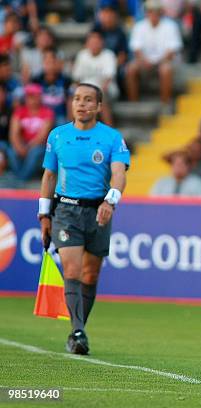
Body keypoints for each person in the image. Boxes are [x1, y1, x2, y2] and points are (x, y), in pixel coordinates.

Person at [38, 82, 130, 355]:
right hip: (66, 210)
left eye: (88, 100)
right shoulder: (57, 136)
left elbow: (119, 174)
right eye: (77, 98)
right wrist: (44, 214)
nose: (81, 104)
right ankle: (78, 331)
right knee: (73, 270)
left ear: (99, 106)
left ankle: (77, 330)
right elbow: (49, 176)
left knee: (91, 274)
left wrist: (110, 201)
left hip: (99, 211)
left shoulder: (112, 138)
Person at [125, 0, 182, 110]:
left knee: (165, 69)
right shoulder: (139, 26)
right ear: (146, 13)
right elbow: (136, 49)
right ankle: (133, 104)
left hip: (165, 61)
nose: (153, 14)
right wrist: (144, 61)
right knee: (130, 69)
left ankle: (165, 104)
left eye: (156, 11)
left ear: (161, 12)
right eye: (150, 11)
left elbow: (172, 50)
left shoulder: (171, 26)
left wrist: (159, 61)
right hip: (144, 62)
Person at [6, 83, 53, 181]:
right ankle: (20, 177)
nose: (32, 100)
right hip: (23, 143)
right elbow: (13, 133)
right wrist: (19, 147)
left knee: (34, 152)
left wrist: (28, 147)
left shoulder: (47, 112)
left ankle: (21, 179)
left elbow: (43, 136)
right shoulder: (19, 111)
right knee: (12, 150)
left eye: (35, 97)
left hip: (40, 145)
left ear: (40, 97)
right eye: (30, 97)